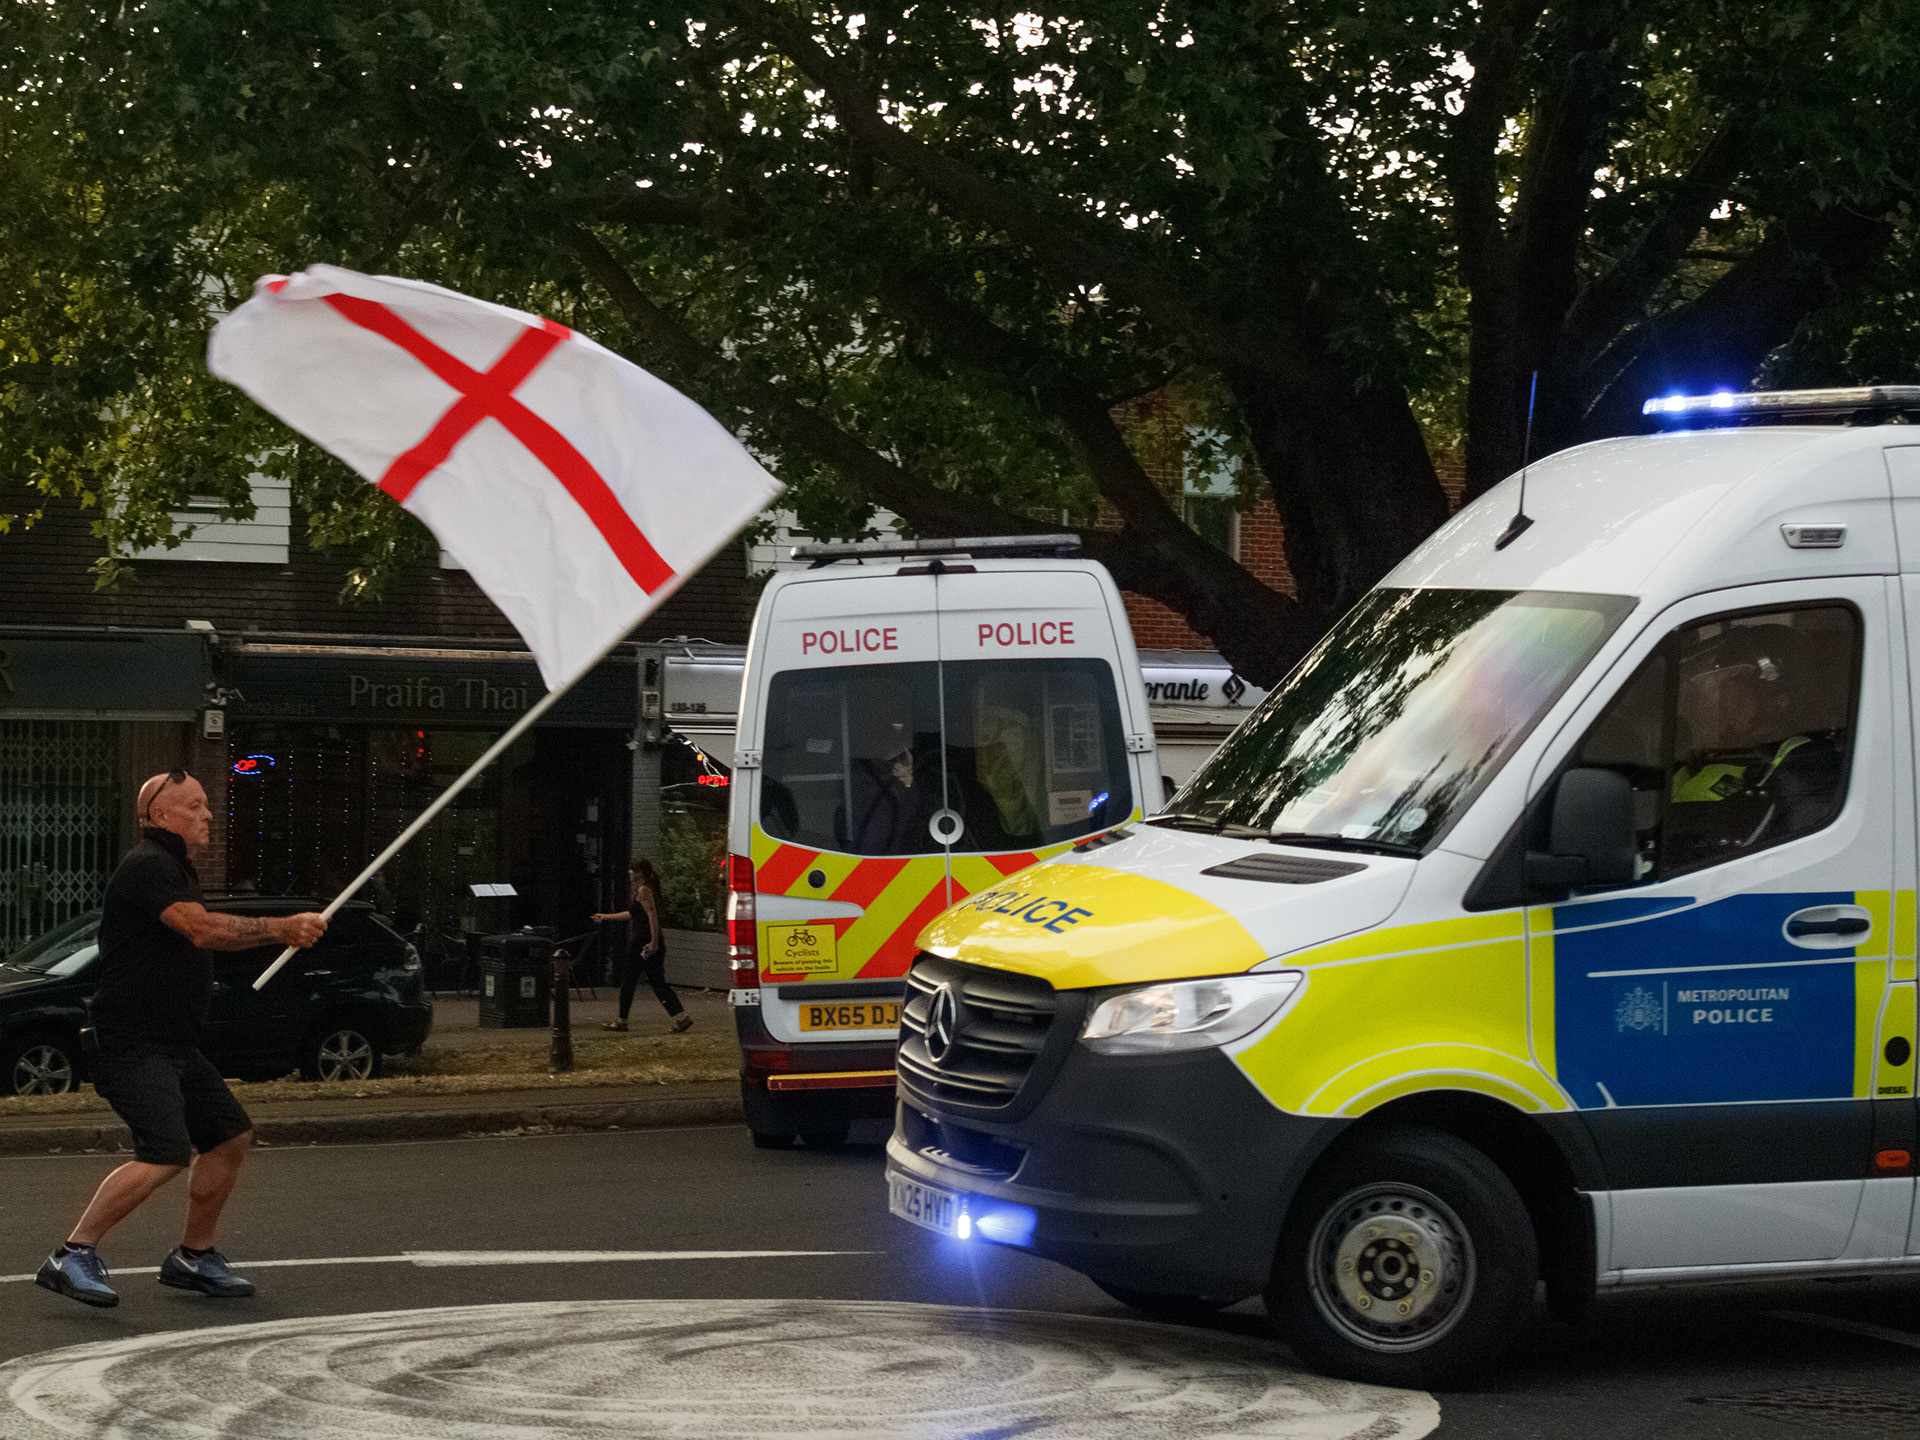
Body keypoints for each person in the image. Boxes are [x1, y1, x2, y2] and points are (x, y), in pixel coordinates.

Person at [35, 771, 328, 1309]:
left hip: (173, 1043)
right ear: (162, 815)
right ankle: (70, 1254)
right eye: (195, 805)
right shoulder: (149, 865)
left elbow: (204, 931)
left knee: (229, 1136)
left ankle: (194, 1257)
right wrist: (283, 927)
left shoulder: (174, 866)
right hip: (130, 1041)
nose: (208, 814)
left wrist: (280, 933)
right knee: (165, 1151)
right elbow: (201, 929)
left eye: (206, 805)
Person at [592, 857, 690, 1033]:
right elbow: (631, 914)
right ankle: (680, 1017)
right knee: (657, 982)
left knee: (629, 981)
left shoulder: (644, 890)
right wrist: (605, 916)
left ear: (639, 873)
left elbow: (652, 916)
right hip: (646, 941)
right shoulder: (643, 889)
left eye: (632, 870)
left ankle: (622, 1020)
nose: (629, 873)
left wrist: (653, 942)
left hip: (642, 943)